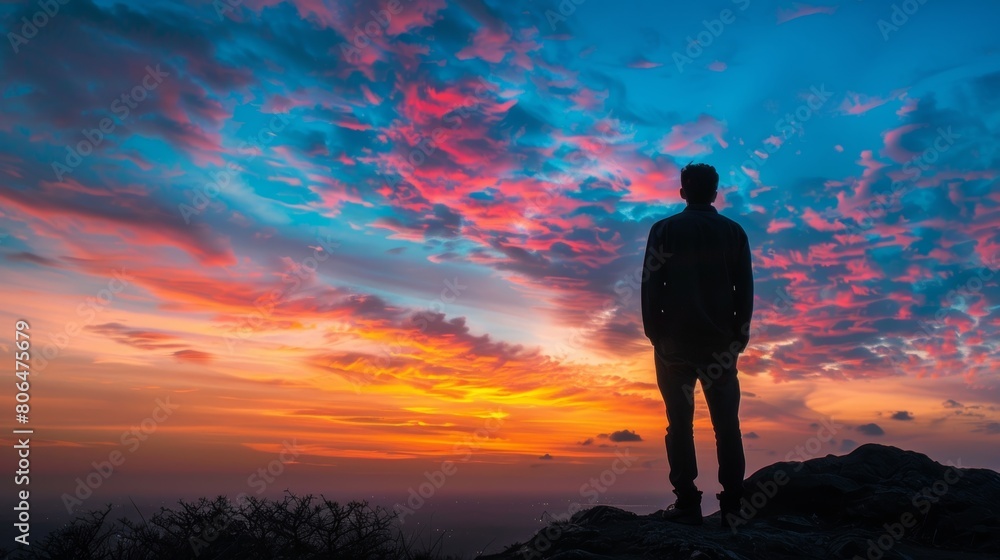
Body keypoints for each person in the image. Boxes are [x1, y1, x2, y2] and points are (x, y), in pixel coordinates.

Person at [640, 162, 753, 529]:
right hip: (720, 345)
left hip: (674, 345)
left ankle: (687, 502)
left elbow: (650, 287)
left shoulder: (665, 230)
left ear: (683, 191)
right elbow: (744, 289)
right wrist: (739, 336)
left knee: (679, 425)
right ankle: (733, 504)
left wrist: (655, 334)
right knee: (727, 426)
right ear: (715, 192)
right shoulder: (734, 232)